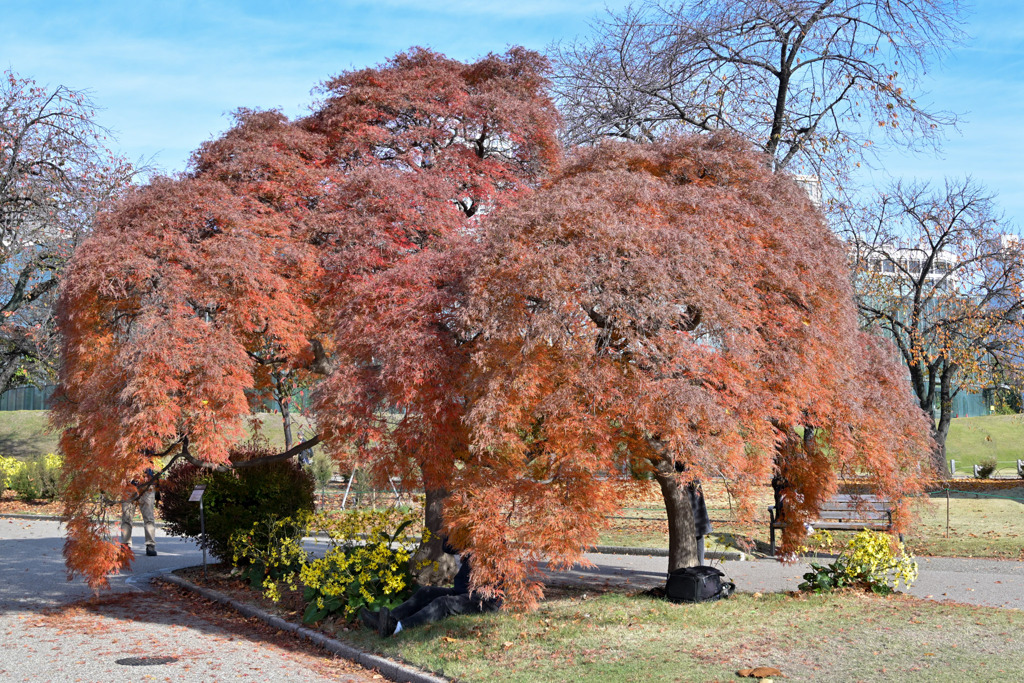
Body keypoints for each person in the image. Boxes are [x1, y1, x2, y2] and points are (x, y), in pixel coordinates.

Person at [360, 539, 500, 636]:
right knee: (426, 591)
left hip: (483, 599)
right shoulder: (471, 534)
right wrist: (454, 525)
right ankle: (386, 620)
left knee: (443, 603)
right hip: (462, 590)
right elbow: (447, 547)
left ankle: (398, 628)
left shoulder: (493, 539)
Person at [121, 464, 159, 557]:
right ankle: (126, 544)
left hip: (147, 486)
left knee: (149, 518)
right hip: (128, 487)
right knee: (126, 518)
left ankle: (150, 544)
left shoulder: (148, 450)